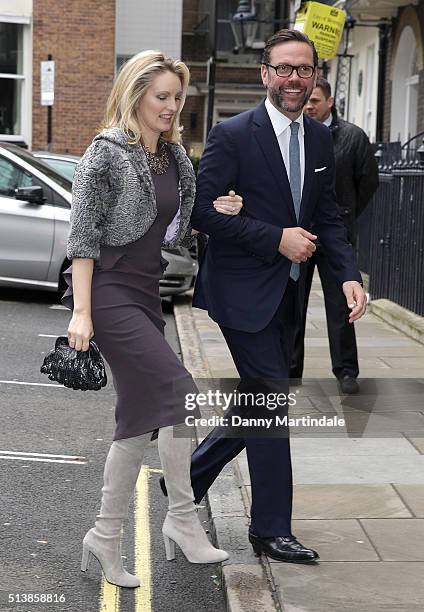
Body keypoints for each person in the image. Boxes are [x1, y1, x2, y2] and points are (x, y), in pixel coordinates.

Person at [184, 29, 367, 563]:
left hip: (290, 294)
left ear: (315, 76)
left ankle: (189, 477)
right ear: (265, 74)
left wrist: (348, 275)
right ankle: (269, 528)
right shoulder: (232, 135)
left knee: (259, 399)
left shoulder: (320, 137)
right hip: (241, 291)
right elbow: (201, 215)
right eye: (283, 68)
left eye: (303, 69)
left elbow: (328, 216)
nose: (293, 78)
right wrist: (276, 238)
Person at [62, 50, 243, 588]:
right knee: (180, 395)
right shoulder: (106, 153)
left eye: (176, 97)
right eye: (161, 96)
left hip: (145, 290)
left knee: (142, 416)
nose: (171, 106)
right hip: (109, 290)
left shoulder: (174, 157)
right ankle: (183, 520)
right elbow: (83, 240)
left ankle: (107, 536)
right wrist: (82, 314)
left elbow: (181, 223)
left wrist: (222, 211)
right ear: (136, 94)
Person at [290, 77, 379, 393]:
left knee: (342, 304)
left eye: (315, 100)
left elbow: (368, 182)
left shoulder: (353, 137)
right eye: (307, 100)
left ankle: (346, 371)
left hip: (335, 232)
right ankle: (290, 370)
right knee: (293, 302)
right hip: (299, 233)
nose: (310, 105)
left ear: (329, 102)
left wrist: (345, 214)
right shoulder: (295, 131)